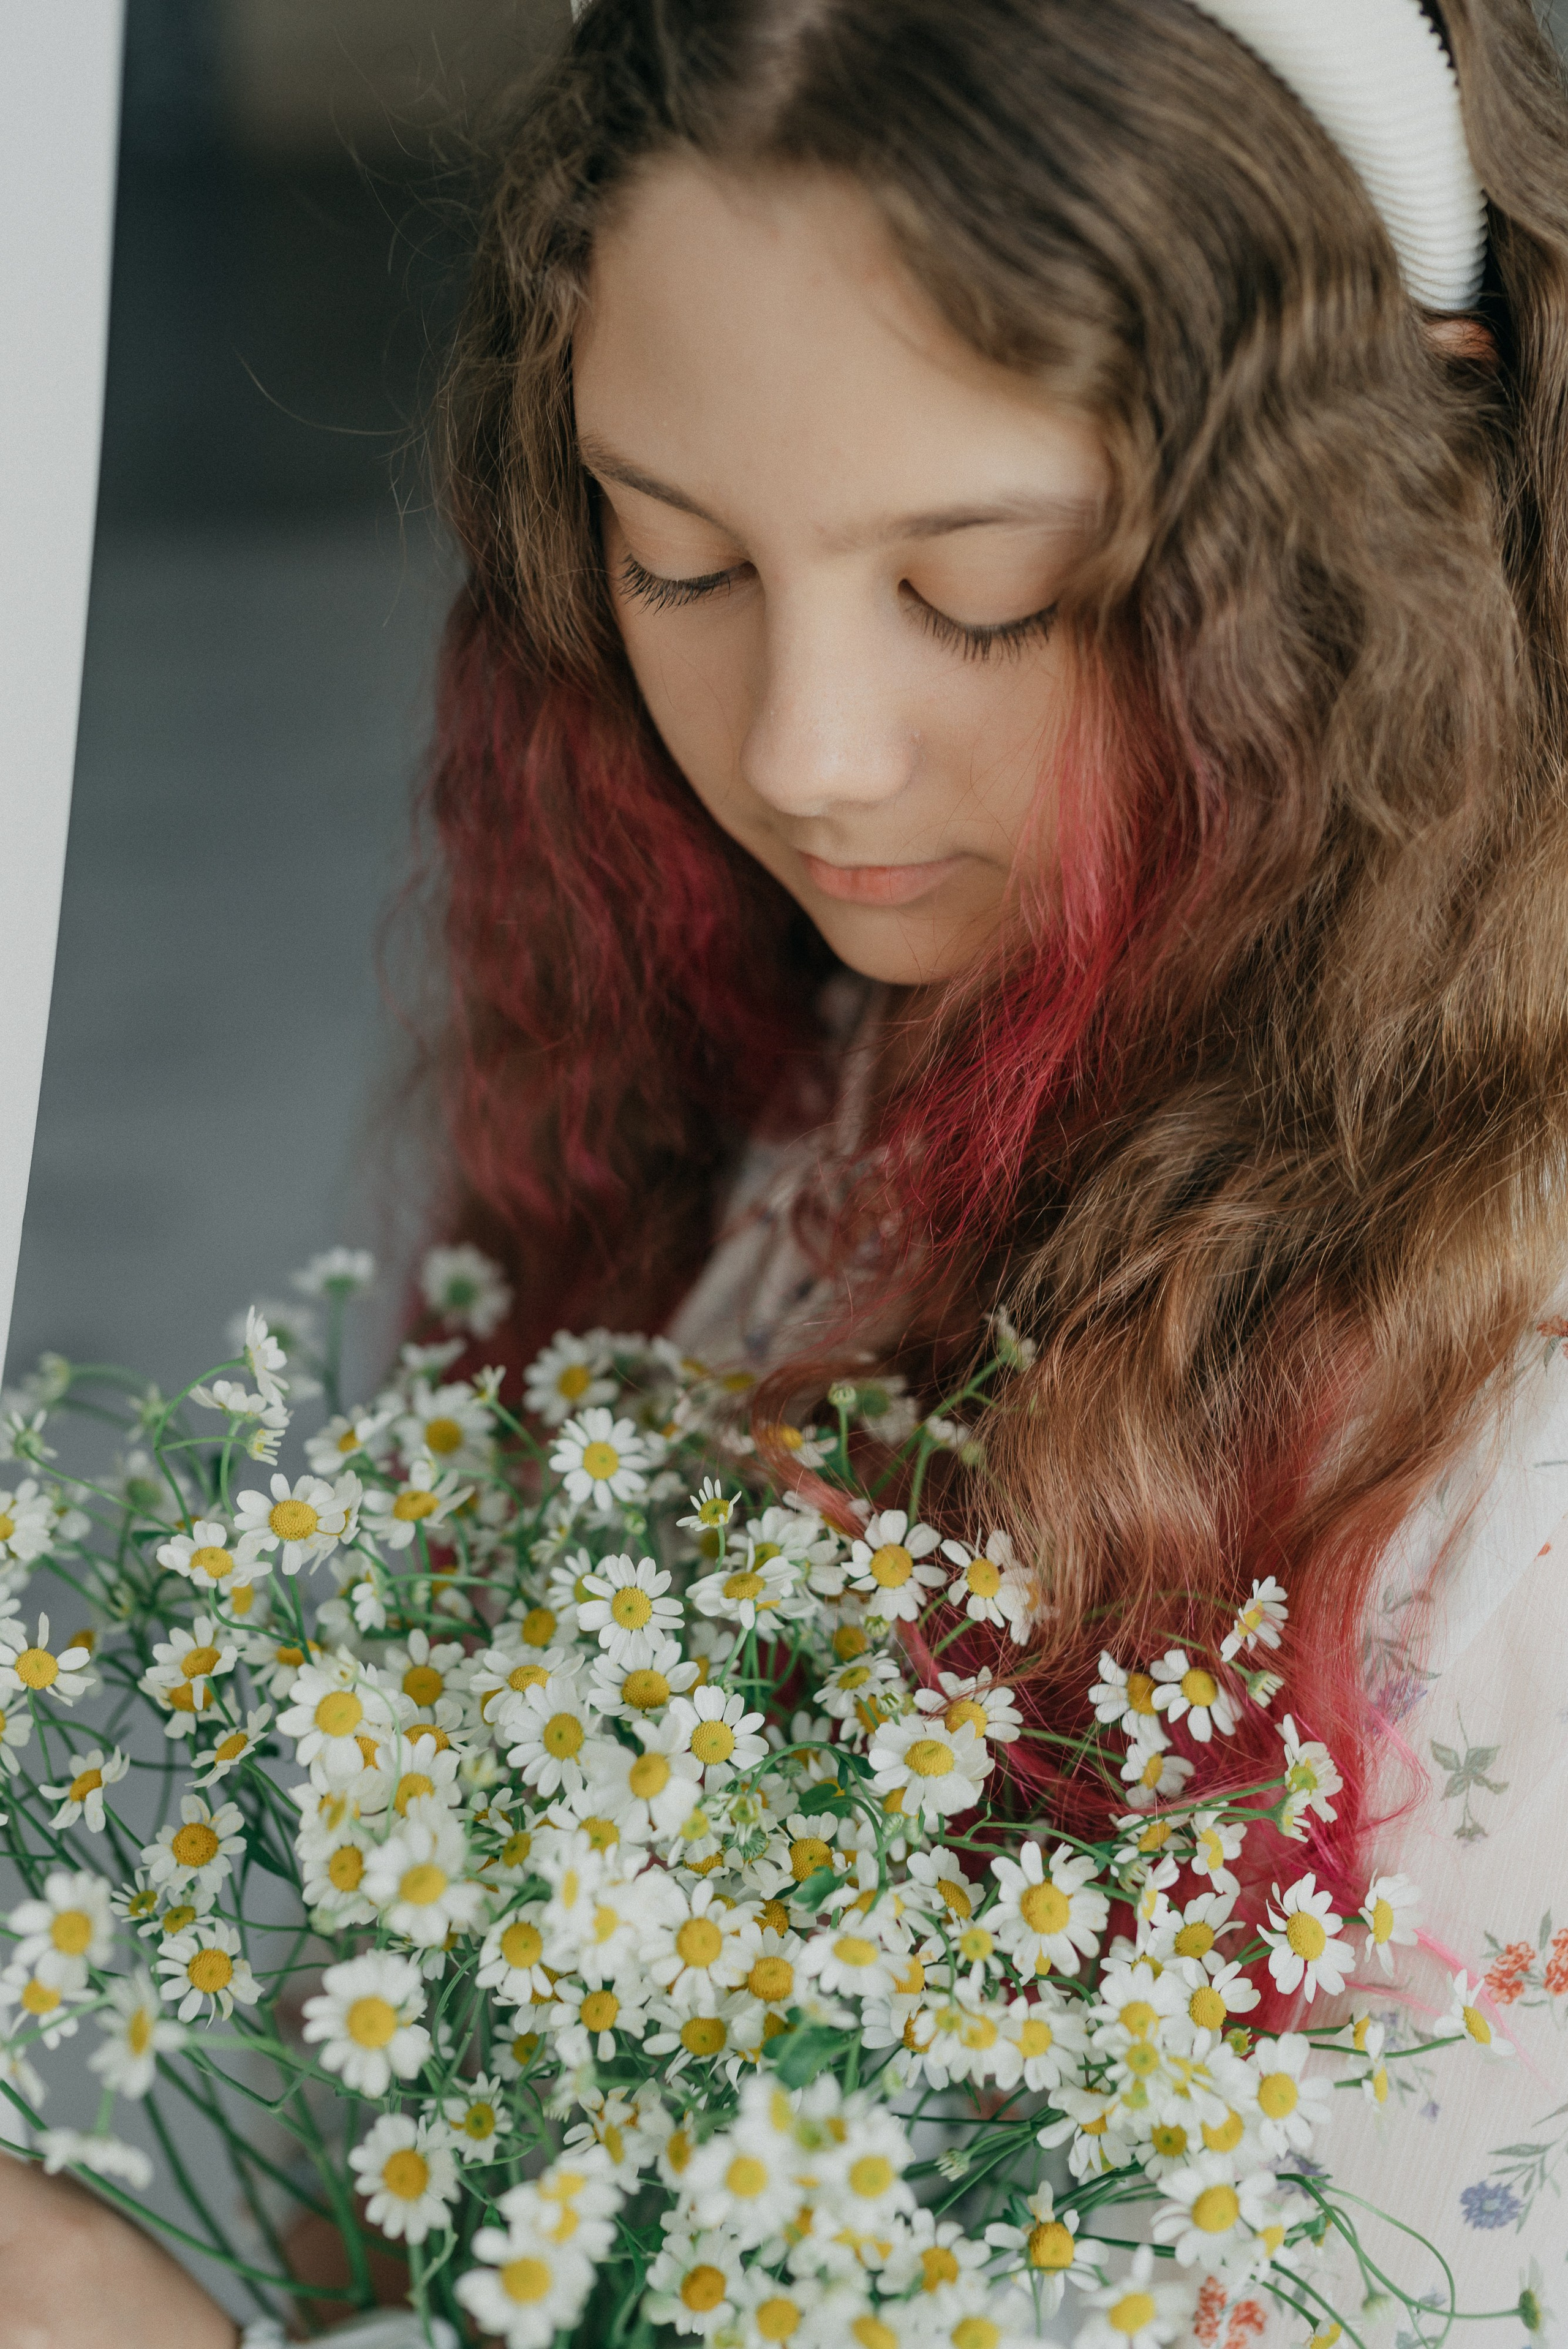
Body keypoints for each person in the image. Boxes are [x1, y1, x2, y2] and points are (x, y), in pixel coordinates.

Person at [7, 0, 1564, 2336]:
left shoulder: (1507, 1402)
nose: (806, 753)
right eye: (679, 562)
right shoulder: (857, 1051)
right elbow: (538, 2060)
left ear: (1366, 514)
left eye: (984, 590)